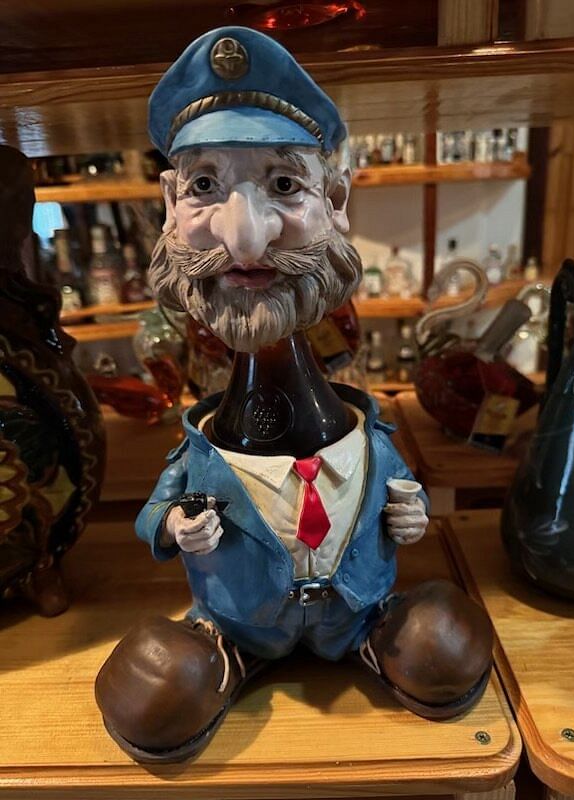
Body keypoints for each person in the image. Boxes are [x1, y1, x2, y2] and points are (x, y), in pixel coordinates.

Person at [95, 26, 493, 764]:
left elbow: (399, 491)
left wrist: (408, 511)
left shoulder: (367, 436)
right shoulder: (200, 447)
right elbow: (154, 511)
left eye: (284, 186)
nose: (246, 240)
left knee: (444, 646)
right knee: (156, 691)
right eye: (204, 186)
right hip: (238, 623)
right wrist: (173, 525)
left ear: (335, 200)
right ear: (169, 206)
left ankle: (376, 641)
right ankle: (223, 656)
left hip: (357, 613)